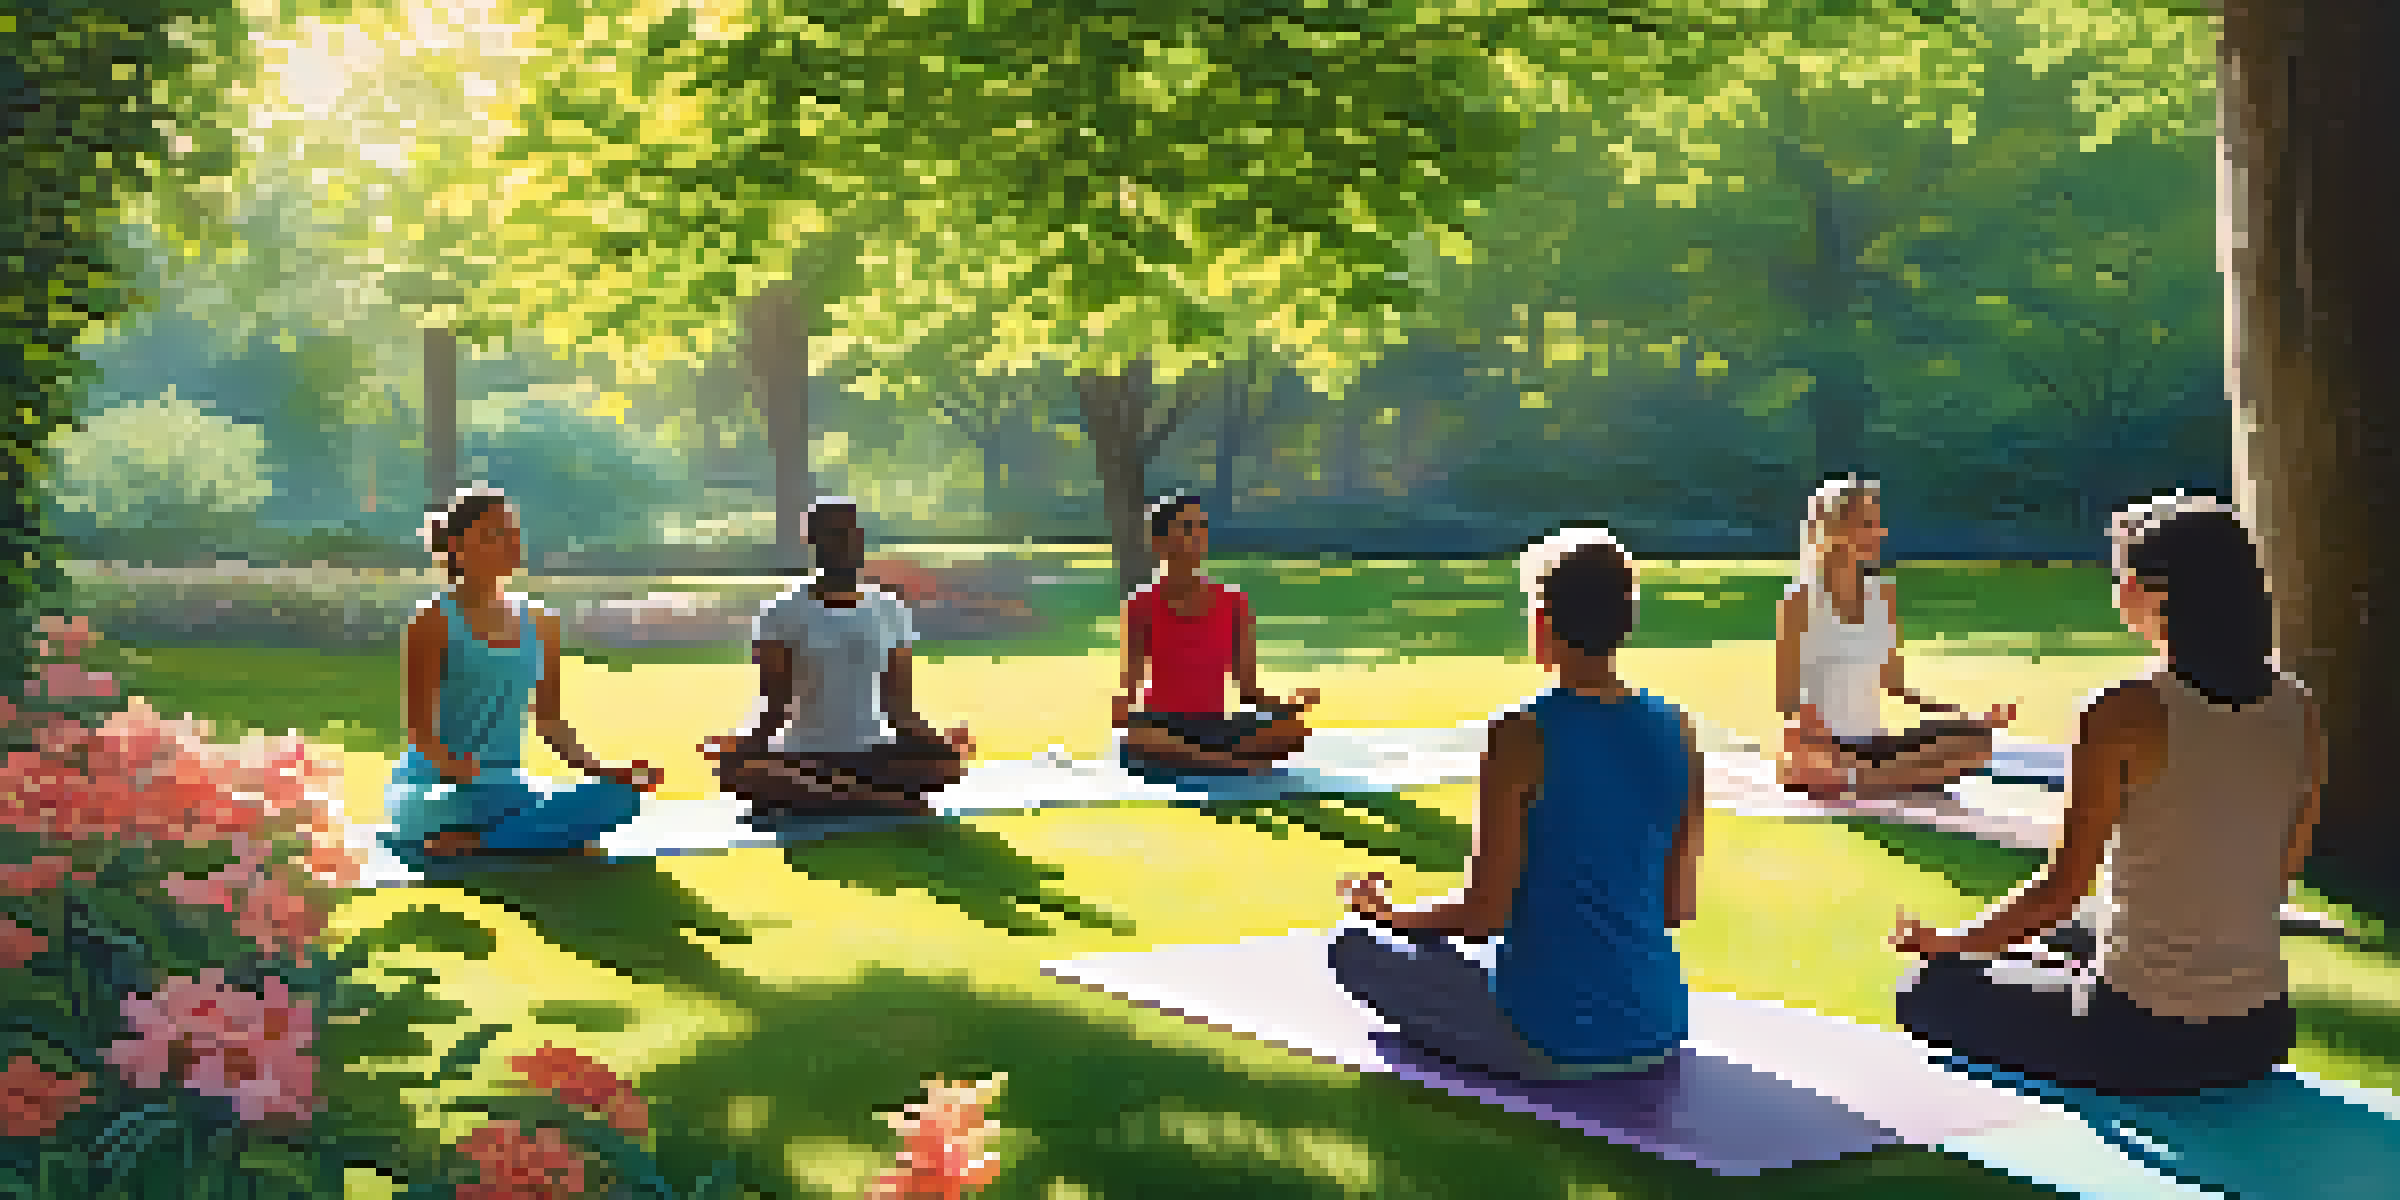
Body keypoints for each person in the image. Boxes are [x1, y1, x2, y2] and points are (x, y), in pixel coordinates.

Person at [1888, 493, 2321, 1095]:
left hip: (2140, 1037)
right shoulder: (2299, 708)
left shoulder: (2119, 712)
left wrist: (1947, 944)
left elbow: (2057, 892)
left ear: (2156, 592)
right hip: (2262, 1032)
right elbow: (2277, 878)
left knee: (1930, 987)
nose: (2115, 588)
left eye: (2122, 574)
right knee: (2078, 933)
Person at [1332, 526, 1706, 1081]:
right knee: (1473, 960)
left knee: (1354, 946)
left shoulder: (1520, 732)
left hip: (1549, 1036)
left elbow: (1484, 915)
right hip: (1658, 1024)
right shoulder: (1680, 729)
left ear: (1543, 622)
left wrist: (1391, 915)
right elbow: (1676, 906)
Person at [384, 486, 660, 867]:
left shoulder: (541, 622)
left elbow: (549, 720)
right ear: (458, 549)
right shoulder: (432, 621)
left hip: (507, 787)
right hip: (437, 788)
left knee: (622, 797)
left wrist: (605, 769)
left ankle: (482, 842)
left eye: (513, 533)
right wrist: (455, 768)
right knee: (465, 811)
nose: (510, 543)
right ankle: (533, 836)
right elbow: (420, 733)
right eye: (494, 534)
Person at [701, 499, 975, 822]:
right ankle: (880, 800)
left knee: (948, 765)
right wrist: (742, 745)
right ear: (811, 540)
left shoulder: (889, 609)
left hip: (874, 754)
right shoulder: (781, 612)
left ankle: (829, 796)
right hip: (802, 754)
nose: (843, 543)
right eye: (831, 534)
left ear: (860, 538)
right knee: (737, 772)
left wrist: (939, 742)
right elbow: (775, 707)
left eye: (850, 533)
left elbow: (900, 710)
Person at [1775, 476, 2017, 802]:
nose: (1880, 532)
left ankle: (1857, 780)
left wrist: (1969, 717)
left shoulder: (1883, 596)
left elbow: (1894, 685)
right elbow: (1786, 700)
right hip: (1820, 743)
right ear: (1835, 529)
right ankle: (1872, 777)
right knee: (1801, 743)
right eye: (1867, 523)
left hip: (1870, 746)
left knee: (1977, 743)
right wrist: (1805, 717)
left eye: (1877, 523)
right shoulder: (1800, 601)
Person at [1113, 493, 1319, 775]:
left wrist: (1288, 704)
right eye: (1187, 527)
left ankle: (1200, 759)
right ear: (1159, 542)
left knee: (1293, 731)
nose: (1198, 534)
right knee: (1138, 738)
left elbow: (1247, 692)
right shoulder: (1140, 605)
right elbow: (1130, 687)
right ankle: (1226, 764)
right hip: (1162, 725)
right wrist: (1123, 713)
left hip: (1216, 725)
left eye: (1201, 526)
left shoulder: (1235, 602)